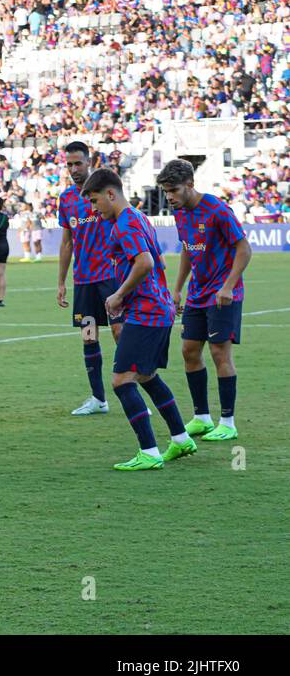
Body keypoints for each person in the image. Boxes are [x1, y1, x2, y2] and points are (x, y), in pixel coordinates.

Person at [82, 169, 196, 470]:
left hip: (146, 311)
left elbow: (144, 262)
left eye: (95, 202)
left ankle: (149, 452)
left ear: (110, 194)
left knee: (121, 381)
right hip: (157, 308)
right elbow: (156, 261)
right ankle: (181, 438)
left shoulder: (124, 224)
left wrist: (119, 294)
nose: (94, 210)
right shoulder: (139, 217)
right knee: (146, 376)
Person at [157, 159, 252, 442]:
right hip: (198, 294)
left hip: (223, 294)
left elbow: (244, 248)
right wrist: (177, 289)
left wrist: (228, 286)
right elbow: (188, 249)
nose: (169, 197)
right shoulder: (180, 212)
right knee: (189, 351)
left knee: (220, 353)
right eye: (165, 192)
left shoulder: (217, 210)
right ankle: (201, 418)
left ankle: (228, 422)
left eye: (173, 190)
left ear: (190, 184)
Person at [57, 142, 121, 416]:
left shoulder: (106, 193)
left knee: (121, 333)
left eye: (78, 163)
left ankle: (137, 391)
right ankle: (98, 399)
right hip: (83, 280)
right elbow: (67, 242)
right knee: (89, 336)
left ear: (89, 161)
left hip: (111, 276)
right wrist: (61, 281)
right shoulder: (67, 199)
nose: (73, 169)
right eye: (69, 164)